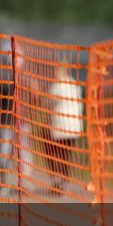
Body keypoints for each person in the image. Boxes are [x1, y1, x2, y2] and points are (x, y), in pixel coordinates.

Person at [46, 63, 84, 195]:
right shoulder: (75, 85)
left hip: (59, 126)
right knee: (66, 156)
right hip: (73, 128)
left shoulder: (57, 86)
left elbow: (48, 104)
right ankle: (62, 181)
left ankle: (58, 182)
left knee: (55, 154)